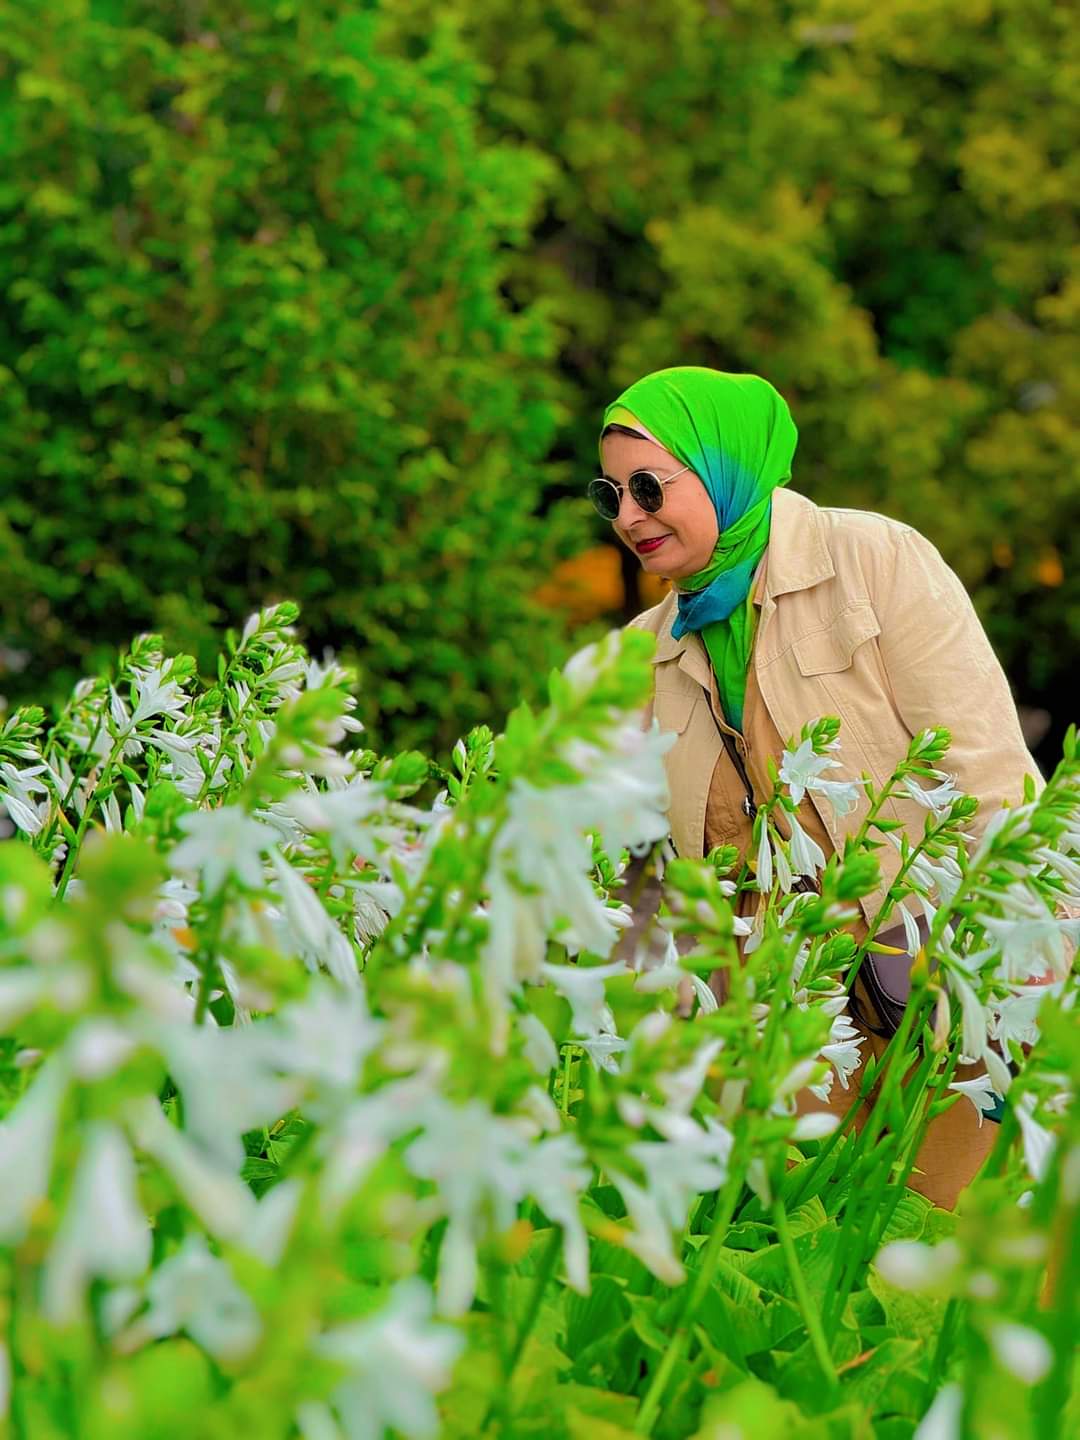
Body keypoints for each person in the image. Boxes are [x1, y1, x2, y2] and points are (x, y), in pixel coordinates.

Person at [593, 365, 1043, 1209]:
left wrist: (1015, 972)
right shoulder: (637, 659)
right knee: (803, 1267)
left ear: (723, 463)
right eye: (609, 493)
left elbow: (989, 781)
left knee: (934, 1251)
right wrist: (647, 1055)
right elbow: (645, 889)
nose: (628, 516)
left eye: (649, 486)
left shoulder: (873, 560)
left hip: (942, 987)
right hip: (781, 1034)